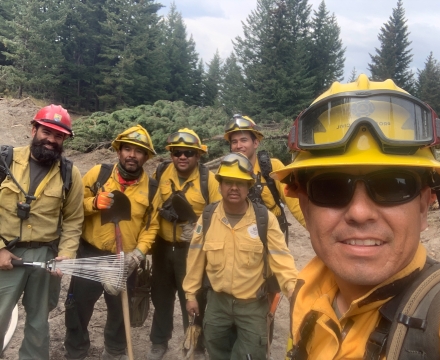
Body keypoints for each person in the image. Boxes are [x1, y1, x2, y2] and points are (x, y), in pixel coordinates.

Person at [269, 74, 440, 359]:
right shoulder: (305, 293)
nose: (359, 212)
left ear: (424, 204)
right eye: (330, 187)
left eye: (393, 185)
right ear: (304, 204)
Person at [183, 152, 298, 360]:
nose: (234, 188)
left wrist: (293, 290)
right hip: (217, 302)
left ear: (249, 186)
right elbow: (195, 258)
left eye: (240, 182)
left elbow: (281, 257)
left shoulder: (265, 219)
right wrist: (190, 294)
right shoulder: (208, 217)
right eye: (228, 182)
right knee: (217, 351)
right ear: (220, 185)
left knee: (250, 355)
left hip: (252, 305)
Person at [64, 125, 161, 360]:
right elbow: (72, 206)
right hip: (91, 253)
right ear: (118, 151)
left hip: (124, 260)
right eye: (127, 149)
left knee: (120, 311)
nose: (132, 155)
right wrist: (93, 203)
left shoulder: (151, 188)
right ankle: (76, 351)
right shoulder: (99, 174)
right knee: (78, 308)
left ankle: (115, 350)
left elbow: (152, 227)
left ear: (146, 157)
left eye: (139, 151)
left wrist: (138, 255)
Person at [0, 105, 84, 359]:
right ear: (33, 129)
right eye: (47, 132)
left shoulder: (70, 173)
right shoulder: (5, 161)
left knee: (38, 323)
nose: (51, 140)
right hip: (6, 256)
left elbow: (73, 219)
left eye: (58, 136)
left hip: (47, 256)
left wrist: (67, 253)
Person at [148, 128, 221, 360]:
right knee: (160, 297)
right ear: (171, 154)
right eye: (177, 152)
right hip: (161, 246)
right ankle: (159, 342)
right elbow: (149, 207)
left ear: (198, 156)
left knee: (193, 299)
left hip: (191, 251)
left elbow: (218, 216)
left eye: (188, 152)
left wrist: (198, 230)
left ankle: (195, 345)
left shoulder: (208, 180)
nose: (182, 157)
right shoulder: (160, 173)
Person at [224, 114, 306, 239]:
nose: (238, 146)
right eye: (234, 142)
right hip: (242, 237)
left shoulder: (273, 167)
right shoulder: (226, 173)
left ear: (255, 143)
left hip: (272, 234)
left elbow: (295, 204)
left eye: (244, 140)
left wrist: (317, 231)